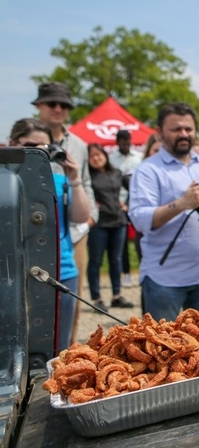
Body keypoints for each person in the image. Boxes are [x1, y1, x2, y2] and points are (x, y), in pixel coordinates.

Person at [129, 102, 199, 321]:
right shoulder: (148, 170)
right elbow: (140, 219)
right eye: (176, 129)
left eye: (188, 129)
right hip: (166, 280)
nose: (184, 134)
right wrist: (182, 204)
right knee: (162, 349)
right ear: (159, 133)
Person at [9, 118, 90, 353]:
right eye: (31, 146)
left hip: (60, 272)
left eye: (45, 149)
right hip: (13, 274)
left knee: (58, 348)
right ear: (14, 143)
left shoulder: (58, 180)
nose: (38, 154)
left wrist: (75, 179)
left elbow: (81, 216)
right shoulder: (6, 182)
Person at [33, 82, 98, 346]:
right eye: (52, 104)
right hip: (33, 231)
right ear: (39, 106)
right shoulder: (26, 135)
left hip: (72, 232)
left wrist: (91, 216)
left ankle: (67, 356)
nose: (58, 109)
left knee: (71, 300)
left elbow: (85, 182)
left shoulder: (79, 145)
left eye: (64, 105)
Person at [86, 143, 135, 312]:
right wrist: (90, 206)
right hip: (99, 223)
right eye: (92, 156)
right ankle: (96, 298)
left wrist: (127, 204)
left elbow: (134, 188)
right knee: (96, 261)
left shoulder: (116, 173)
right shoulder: (88, 177)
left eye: (98, 154)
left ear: (105, 155)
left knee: (116, 260)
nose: (96, 158)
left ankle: (116, 295)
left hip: (118, 222)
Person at [109, 129, 143, 288]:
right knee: (122, 242)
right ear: (117, 143)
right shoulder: (111, 159)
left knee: (141, 237)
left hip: (136, 200)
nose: (125, 144)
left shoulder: (139, 157)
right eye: (122, 141)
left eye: (127, 141)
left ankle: (144, 269)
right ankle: (127, 273)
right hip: (120, 202)